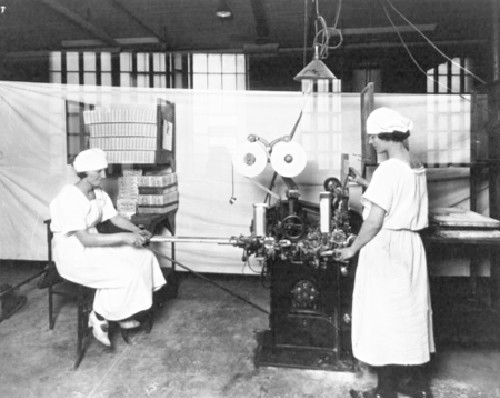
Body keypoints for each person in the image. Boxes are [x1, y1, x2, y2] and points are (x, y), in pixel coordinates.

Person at [337, 108, 435, 398]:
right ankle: (416, 388)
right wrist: (369, 185)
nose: (370, 141)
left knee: (384, 318)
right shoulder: (414, 164)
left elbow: (374, 222)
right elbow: (401, 194)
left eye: (373, 136)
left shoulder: (388, 169)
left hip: (388, 249)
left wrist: (351, 249)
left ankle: (385, 392)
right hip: (411, 248)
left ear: (387, 136)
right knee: (408, 317)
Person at [49, 148, 166, 347]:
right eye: (98, 172)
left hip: (96, 244)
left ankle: (122, 312)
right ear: (84, 172)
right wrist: (125, 238)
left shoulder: (99, 193)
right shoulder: (68, 198)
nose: (103, 176)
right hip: (75, 253)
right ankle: (100, 314)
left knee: (145, 257)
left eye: (104, 171)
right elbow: (85, 240)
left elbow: (115, 218)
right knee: (127, 273)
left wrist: (136, 230)